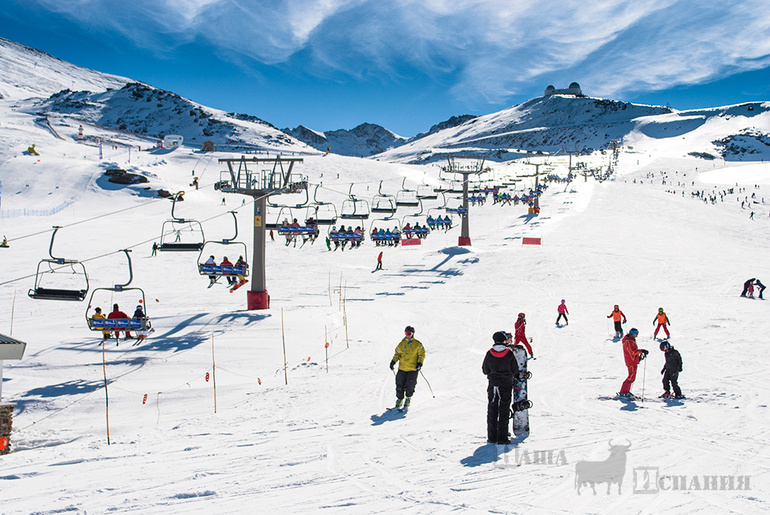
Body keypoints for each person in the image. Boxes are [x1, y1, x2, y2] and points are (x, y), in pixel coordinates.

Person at [482, 331, 517, 445]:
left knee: (492, 409)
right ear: (503, 340)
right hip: (505, 384)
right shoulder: (509, 353)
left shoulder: (489, 353)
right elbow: (515, 369)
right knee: (504, 409)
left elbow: (485, 370)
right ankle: (502, 437)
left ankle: (492, 436)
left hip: (493, 384)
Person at [389, 326, 425, 410]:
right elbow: (397, 354)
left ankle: (408, 399)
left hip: (412, 369)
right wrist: (393, 362)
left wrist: (420, 363)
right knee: (399, 385)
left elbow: (421, 354)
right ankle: (400, 399)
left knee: (410, 385)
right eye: (406, 333)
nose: (408, 335)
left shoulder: (417, 344)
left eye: (409, 333)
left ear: (412, 334)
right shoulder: (402, 343)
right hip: (402, 368)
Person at [618, 328, 647, 398]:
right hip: (631, 362)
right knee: (631, 377)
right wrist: (641, 351)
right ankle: (623, 392)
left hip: (632, 361)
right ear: (633, 333)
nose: (637, 335)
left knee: (632, 377)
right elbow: (632, 351)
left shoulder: (630, 340)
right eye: (636, 333)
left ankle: (626, 391)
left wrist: (638, 357)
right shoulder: (628, 341)